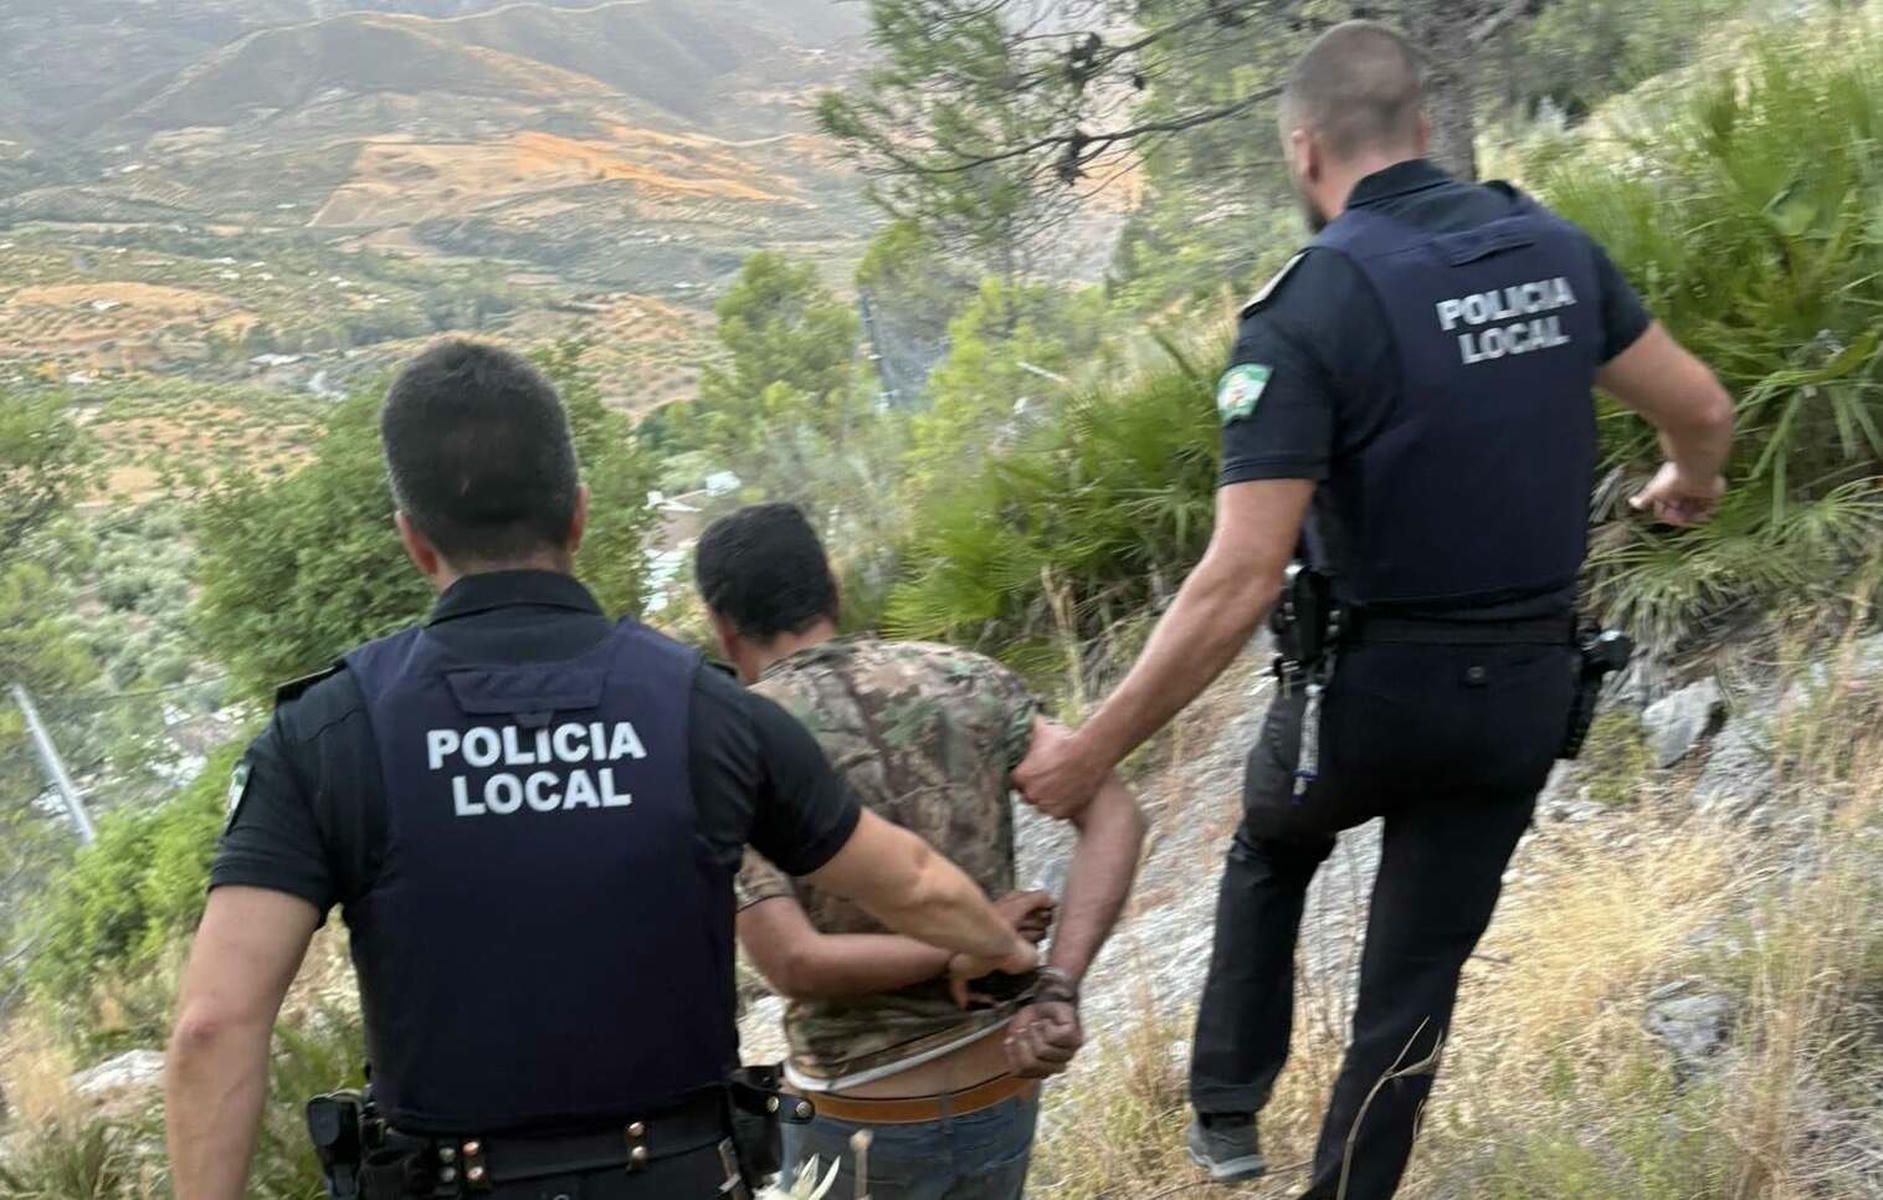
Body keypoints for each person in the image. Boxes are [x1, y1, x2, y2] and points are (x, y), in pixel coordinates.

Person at [1011, 21, 1734, 1200]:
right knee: (1411, 990)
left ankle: (1225, 1104)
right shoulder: (1555, 253)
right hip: (1519, 696)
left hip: (1367, 704)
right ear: (1423, 127)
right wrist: (1684, 482)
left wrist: (1096, 747)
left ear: (1304, 151)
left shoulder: (1309, 306)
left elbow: (1238, 577)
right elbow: (1699, 409)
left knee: (1270, 839)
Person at [164, 341, 1040, 1200]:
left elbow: (214, 1026)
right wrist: (999, 950)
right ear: (578, 516)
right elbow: (912, 879)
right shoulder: (706, 709)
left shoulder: (329, 734)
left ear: (414, 542)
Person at [695, 503, 1146, 1200]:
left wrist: (975, 945)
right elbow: (1116, 813)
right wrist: (1051, 978)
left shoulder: (736, 739)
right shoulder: (964, 677)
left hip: (858, 1112)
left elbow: (794, 961)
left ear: (723, 628)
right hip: (1001, 1083)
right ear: (833, 587)